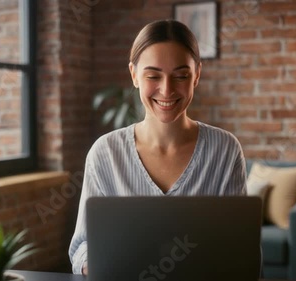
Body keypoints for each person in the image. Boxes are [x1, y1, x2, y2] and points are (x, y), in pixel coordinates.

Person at [68, 19, 247, 275]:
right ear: (134, 75)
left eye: (181, 76)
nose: (166, 90)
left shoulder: (225, 150)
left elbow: (242, 249)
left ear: (196, 75)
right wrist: (101, 264)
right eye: (153, 76)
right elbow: (81, 247)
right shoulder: (105, 153)